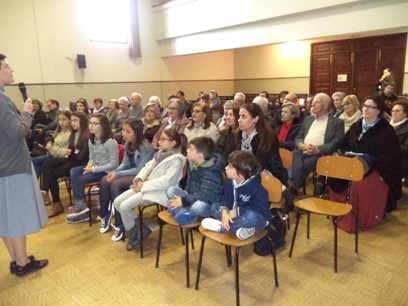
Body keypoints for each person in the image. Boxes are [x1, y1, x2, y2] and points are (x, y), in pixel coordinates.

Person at [0, 53, 48, 276]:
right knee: (17, 217)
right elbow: (18, 131)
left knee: (7, 217)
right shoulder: (1, 100)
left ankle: (16, 259)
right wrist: (27, 114)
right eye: (7, 67)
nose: (11, 71)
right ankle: (22, 263)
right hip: (11, 166)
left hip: (3, 165)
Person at [331, 95, 402, 231]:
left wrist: (368, 159)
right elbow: (343, 144)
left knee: (357, 185)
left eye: (371, 107)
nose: (366, 109)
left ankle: (357, 219)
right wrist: (340, 152)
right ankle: (340, 214)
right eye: (365, 106)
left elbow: (391, 157)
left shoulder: (386, 130)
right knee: (334, 176)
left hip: (377, 169)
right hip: (351, 165)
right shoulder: (357, 125)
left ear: (379, 111)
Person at [113, 128, 187, 251]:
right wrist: (139, 179)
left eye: (163, 139)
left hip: (158, 192)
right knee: (117, 202)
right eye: (160, 138)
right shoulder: (159, 155)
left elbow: (166, 182)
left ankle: (134, 235)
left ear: (173, 143)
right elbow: (146, 167)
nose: (159, 142)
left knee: (124, 206)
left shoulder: (177, 160)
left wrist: (143, 186)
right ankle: (141, 229)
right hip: (146, 187)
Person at [97, 118, 155, 241]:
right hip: (132, 174)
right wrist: (115, 171)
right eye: (123, 130)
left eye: (128, 131)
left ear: (137, 132)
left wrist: (117, 175)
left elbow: (140, 170)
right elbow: (125, 164)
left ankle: (120, 223)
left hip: (143, 178)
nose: (124, 134)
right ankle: (105, 215)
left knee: (115, 185)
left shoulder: (145, 147)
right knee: (105, 180)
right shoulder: (129, 144)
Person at [285, 93, 344, 211]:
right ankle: (293, 189)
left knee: (298, 166)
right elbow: (298, 137)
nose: (312, 103)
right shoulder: (308, 119)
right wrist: (301, 145)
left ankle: (291, 191)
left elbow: (336, 143)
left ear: (326, 105)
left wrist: (317, 149)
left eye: (316, 102)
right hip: (301, 151)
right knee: (294, 156)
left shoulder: (337, 122)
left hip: (319, 155)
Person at [201, 151, 270, 240]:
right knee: (214, 207)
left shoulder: (257, 189)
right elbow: (226, 198)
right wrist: (225, 212)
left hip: (258, 219)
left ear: (241, 172)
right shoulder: (230, 182)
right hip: (236, 215)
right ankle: (243, 228)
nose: (225, 168)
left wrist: (237, 211)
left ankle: (221, 227)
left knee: (251, 216)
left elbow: (260, 209)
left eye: (230, 167)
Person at [65, 113, 119, 224]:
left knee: (80, 179)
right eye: (90, 123)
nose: (91, 126)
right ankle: (81, 206)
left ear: (103, 126)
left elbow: (114, 164)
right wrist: (90, 164)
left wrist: (92, 169)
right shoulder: (92, 140)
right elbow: (92, 158)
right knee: (74, 171)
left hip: (105, 171)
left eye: (95, 123)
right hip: (95, 167)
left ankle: (82, 210)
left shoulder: (110, 142)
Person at [41, 111, 90, 218]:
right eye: (72, 120)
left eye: (75, 120)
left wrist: (69, 153)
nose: (72, 123)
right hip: (73, 160)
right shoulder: (74, 133)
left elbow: (82, 156)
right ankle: (54, 201)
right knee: (47, 164)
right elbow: (73, 151)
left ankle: (53, 199)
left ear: (83, 121)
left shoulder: (87, 134)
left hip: (82, 164)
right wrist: (68, 152)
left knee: (50, 170)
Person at [166, 137, 225, 225]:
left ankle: (185, 212)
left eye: (191, 149)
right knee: (171, 190)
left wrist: (183, 201)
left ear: (200, 155)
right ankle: (184, 212)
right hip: (192, 197)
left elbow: (205, 195)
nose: (187, 150)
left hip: (207, 202)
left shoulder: (212, 171)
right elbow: (188, 186)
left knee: (198, 207)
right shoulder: (193, 163)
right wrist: (184, 199)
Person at [236, 103, 288, 187]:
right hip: (245, 171)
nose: (239, 120)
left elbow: (261, 164)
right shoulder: (238, 134)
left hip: (266, 173)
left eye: (243, 116)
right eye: (239, 116)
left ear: (255, 119)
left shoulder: (267, 137)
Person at [31, 110, 72, 178]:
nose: (61, 122)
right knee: (35, 163)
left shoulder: (71, 133)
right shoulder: (60, 131)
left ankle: (37, 187)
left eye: (64, 119)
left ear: (70, 120)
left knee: (40, 164)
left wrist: (51, 147)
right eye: (59, 120)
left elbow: (64, 152)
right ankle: (35, 186)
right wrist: (50, 144)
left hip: (61, 158)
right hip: (53, 154)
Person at [389, 101, 408, 186]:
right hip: (385, 158)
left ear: (405, 114)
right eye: (393, 111)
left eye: (397, 111)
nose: (394, 113)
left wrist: (390, 146)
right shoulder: (386, 125)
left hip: (401, 161)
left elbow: (406, 148)